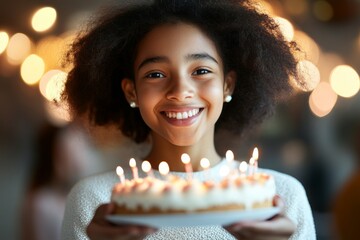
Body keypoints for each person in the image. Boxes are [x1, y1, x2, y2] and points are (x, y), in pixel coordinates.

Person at [60, 0, 316, 239]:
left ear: (227, 85)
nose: (181, 91)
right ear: (132, 92)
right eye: (156, 74)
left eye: (201, 71)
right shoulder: (97, 201)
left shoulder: (278, 197)